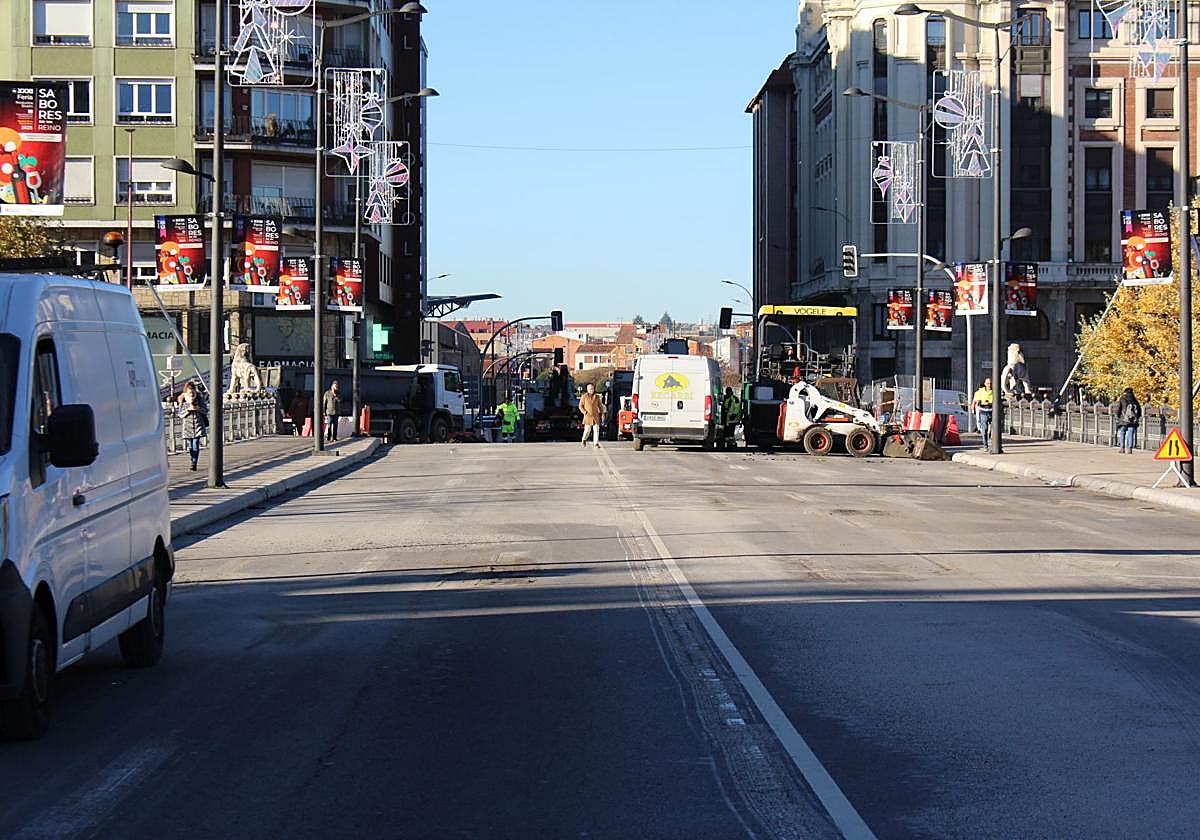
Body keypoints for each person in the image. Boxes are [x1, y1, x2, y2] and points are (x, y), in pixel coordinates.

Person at [176, 381, 208, 471]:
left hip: (198, 425)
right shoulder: (183, 399)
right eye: (190, 392)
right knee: (190, 445)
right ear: (186, 392)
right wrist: (188, 410)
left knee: (196, 444)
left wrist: (198, 408)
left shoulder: (199, 398)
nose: (192, 394)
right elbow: (180, 414)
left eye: (193, 392)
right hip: (188, 426)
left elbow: (206, 410)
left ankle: (194, 463)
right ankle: (192, 458)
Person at [1114, 387, 1142, 453]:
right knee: (1131, 433)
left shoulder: (1122, 398)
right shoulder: (1134, 400)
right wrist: (1136, 417)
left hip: (1124, 419)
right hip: (1133, 420)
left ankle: (1122, 448)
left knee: (1122, 432)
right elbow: (1139, 410)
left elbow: (1119, 408)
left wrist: (1118, 416)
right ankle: (1130, 449)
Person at [579, 382, 604, 448]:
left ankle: (596, 443)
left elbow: (600, 406)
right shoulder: (584, 397)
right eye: (590, 389)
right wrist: (584, 412)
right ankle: (584, 440)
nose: (591, 390)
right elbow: (580, 406)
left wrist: (602, 413)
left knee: (596, 430)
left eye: (592, 389)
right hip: (587, 416)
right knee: (587, 430)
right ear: (587, 389)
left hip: (595, 416)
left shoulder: (597, 397)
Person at [972, 377, 993, 448]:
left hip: (993, 411)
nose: (989, 385)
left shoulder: (995, 391)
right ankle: (985, 445)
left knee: (993, 429)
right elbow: (977, 402)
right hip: (984, 411)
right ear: (985, 384)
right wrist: (982, 402)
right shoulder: (980, 392)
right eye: (988, 383)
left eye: (990, 383)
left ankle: (994, 444)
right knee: (984, 429)